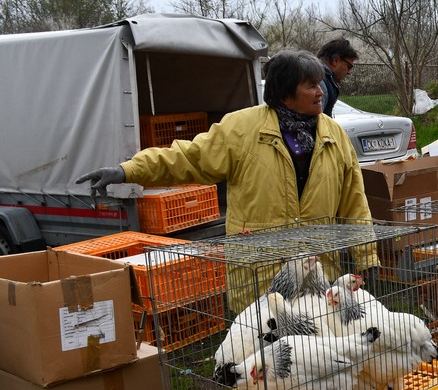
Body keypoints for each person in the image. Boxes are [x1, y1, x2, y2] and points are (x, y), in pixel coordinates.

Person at [75, 49, 379, 310]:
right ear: (286, 93)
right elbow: (186, 158)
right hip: (261, 275)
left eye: (319, 84)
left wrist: (367, 256)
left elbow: (354, 200)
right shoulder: (242, 128)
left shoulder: (334, 134)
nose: (320, 91)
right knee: (261, 364)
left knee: (318, 360)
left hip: (318, 273)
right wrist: (127, 170)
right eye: (310, 85)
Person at [317, 38, 359, 118]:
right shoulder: (319, 82)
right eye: (349, 67)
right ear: (335, 61)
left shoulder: (316, 76)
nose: (349, 72)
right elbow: (315, 123)